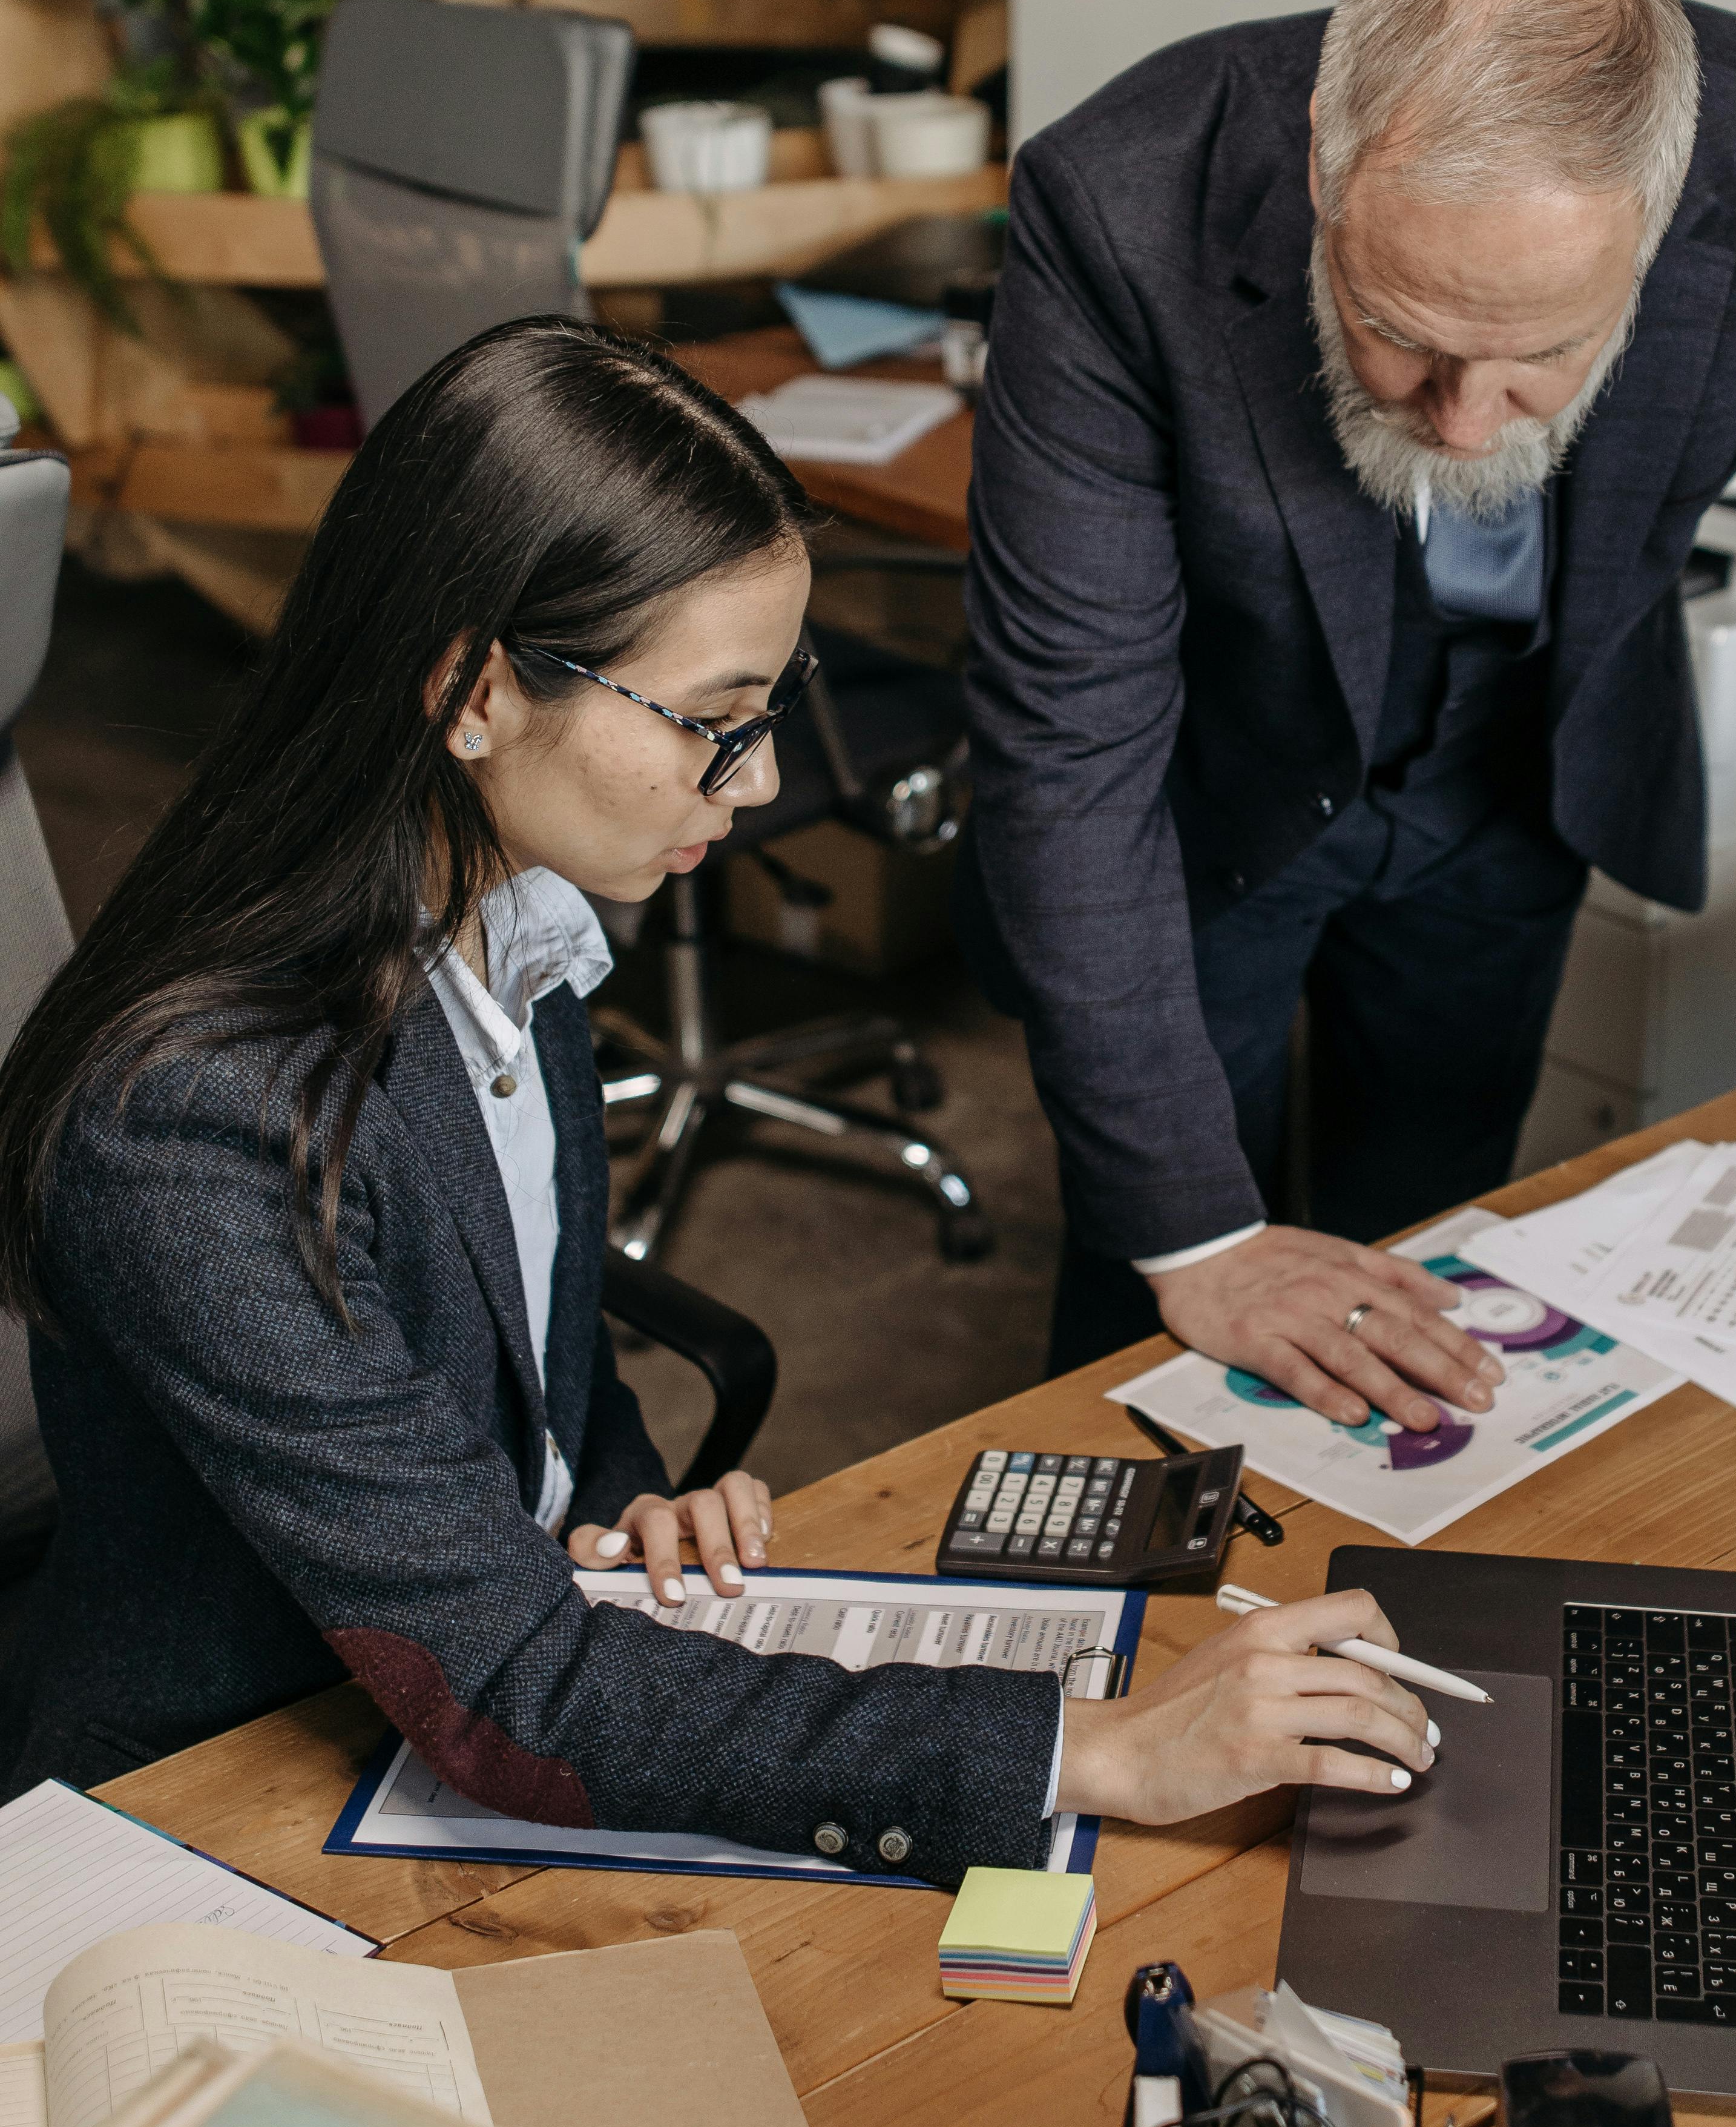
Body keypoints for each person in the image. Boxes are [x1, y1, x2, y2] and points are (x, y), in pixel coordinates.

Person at [0, 320, 1430, 1864]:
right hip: (226, 1793)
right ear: (471, 693)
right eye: (714, 717)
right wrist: (1101, 1750)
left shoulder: (510, 910)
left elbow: (536, 1353)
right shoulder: (195, 1120)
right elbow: (511, 1691)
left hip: (491, 1650)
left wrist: (613, 1496)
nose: (755, 781)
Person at [962, 0, 1736, 1434]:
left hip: (1520, 759)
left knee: (1436, 1251)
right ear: (1322, 166)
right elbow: (1067, 739)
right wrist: (1197, 1235)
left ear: (1659, 216)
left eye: (1542, 354)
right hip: (1200, 777)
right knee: (1165, 1282)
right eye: (1401, 333)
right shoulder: (1118, 198)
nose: (1468, 423)